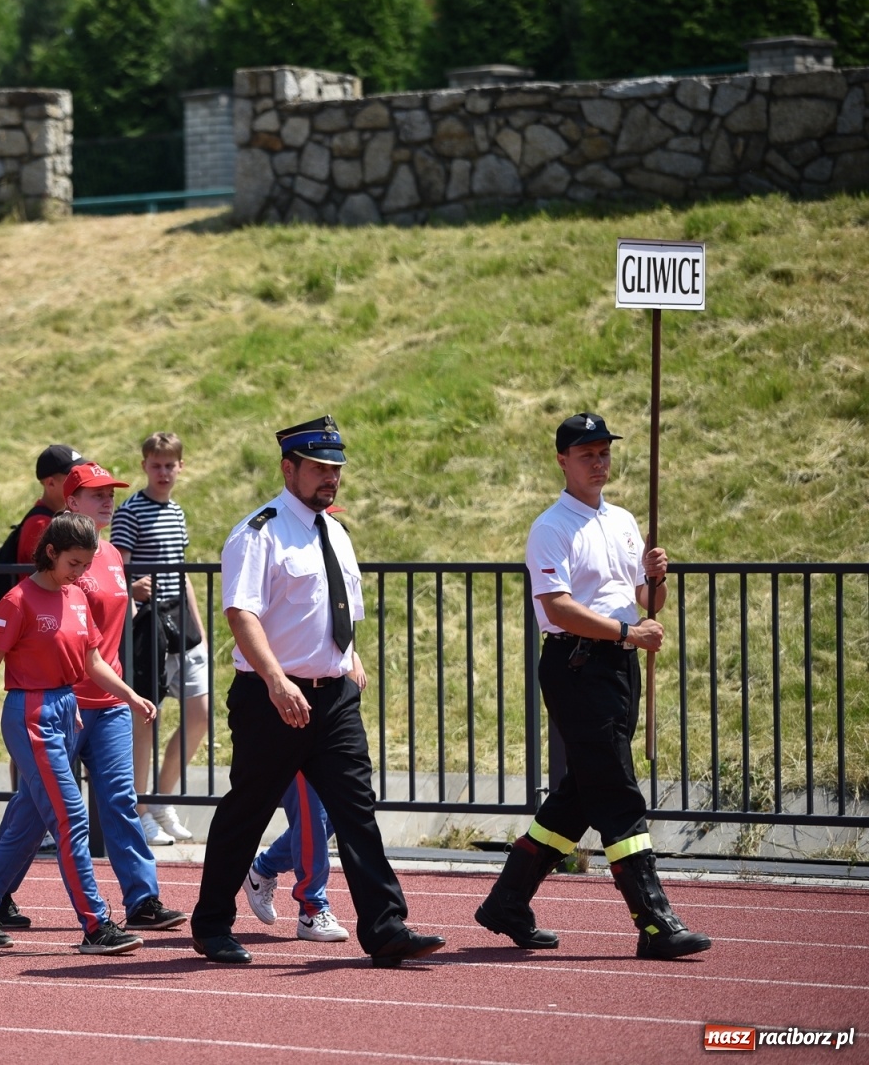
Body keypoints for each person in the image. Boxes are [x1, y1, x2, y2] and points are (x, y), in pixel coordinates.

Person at [191, 416, 445, 967]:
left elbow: (334, 608)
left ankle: (385, 927)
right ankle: (212, 925)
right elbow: (242, 613)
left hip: (333, 699)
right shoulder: (258, 531)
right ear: (289, 469)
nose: (330, 478)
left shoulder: (335, 530)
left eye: (336, 470)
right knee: (248, 811)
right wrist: (279, 680)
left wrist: (349, 656)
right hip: (271, 698)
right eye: (319, 469)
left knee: (358, 811)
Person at [474, 413, 711, 961]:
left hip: (620, 667)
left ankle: (507, 902)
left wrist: (657, 579)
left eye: (604, 452)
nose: (599, 463)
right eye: (587, 454)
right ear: (563, 461)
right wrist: (630, 629)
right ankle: (654, 922)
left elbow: (646, 603)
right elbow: (557, 608)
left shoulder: (625, 520)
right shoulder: (550, 528)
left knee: (579, 794)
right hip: (576, 666)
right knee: (617, 792)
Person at [0, 512, 156, 956]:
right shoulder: (16, 602)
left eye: (86, 565)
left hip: (65, 706)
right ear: (51, 552)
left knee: (32, 818)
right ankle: (96, 925)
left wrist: (131, 697)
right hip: (30, 713)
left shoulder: (75, 596)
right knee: (72, 818)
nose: (81, 573)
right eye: (75, 563)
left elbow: (92, 662)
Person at [0, 463, 185, 933]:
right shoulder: (65, 562)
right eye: (96, 493)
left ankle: (142, 899)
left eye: (110, 493)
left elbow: (105, 633)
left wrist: (127, 691)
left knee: (120, 798)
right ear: (72, 503)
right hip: (64, 704)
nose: (107, 500)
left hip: (109, 700)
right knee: (34, 810)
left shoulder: (115, 555)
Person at [110, 432, 208, 847]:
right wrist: (133, 596)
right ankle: (140, 808)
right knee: (146, 717)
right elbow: (120, 571)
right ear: (144, 466)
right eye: (156, 465)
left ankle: (163, 799)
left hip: (180, 623)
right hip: (146, 624)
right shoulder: (130, 512)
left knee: (199, 714)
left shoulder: (178, 513)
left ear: (180, 467)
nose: (164, 472)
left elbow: (181, 572)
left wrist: (198, 628)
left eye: (170, 465)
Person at [240, 775, 350, 942]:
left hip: (329, 748)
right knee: (312, 813)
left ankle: (263, 868)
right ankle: (312, 909)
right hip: (294, 748)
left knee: (338, 808)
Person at [15, 445, 87, 565]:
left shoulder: (57, 518)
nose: (80, 481)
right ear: (51, 483)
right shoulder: (40, 525)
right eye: (72, 476)